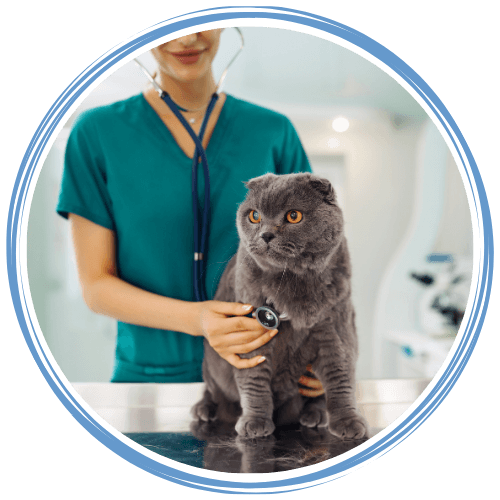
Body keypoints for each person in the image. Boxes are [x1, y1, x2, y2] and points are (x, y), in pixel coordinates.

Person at [56, 28, 323, 396]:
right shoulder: (96, 134)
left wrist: (318, 346)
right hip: (151, 386)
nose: (188, 36)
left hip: (267, 380)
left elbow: (313, 263)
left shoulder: (274, 132)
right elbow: (96, 286)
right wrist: (198, 319)